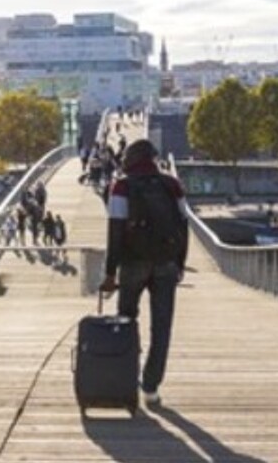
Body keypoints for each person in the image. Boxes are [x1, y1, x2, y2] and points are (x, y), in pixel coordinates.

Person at [99, 140, 188, 407]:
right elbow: (183, 225)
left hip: (132, 263)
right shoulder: (171, 185)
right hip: (166, 263)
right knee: (162, 326)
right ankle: (150, 387)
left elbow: (115, 230)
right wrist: (180, 263)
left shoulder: (122, 186)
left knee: (126, 321)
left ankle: (126, 378)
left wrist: (110, 272)